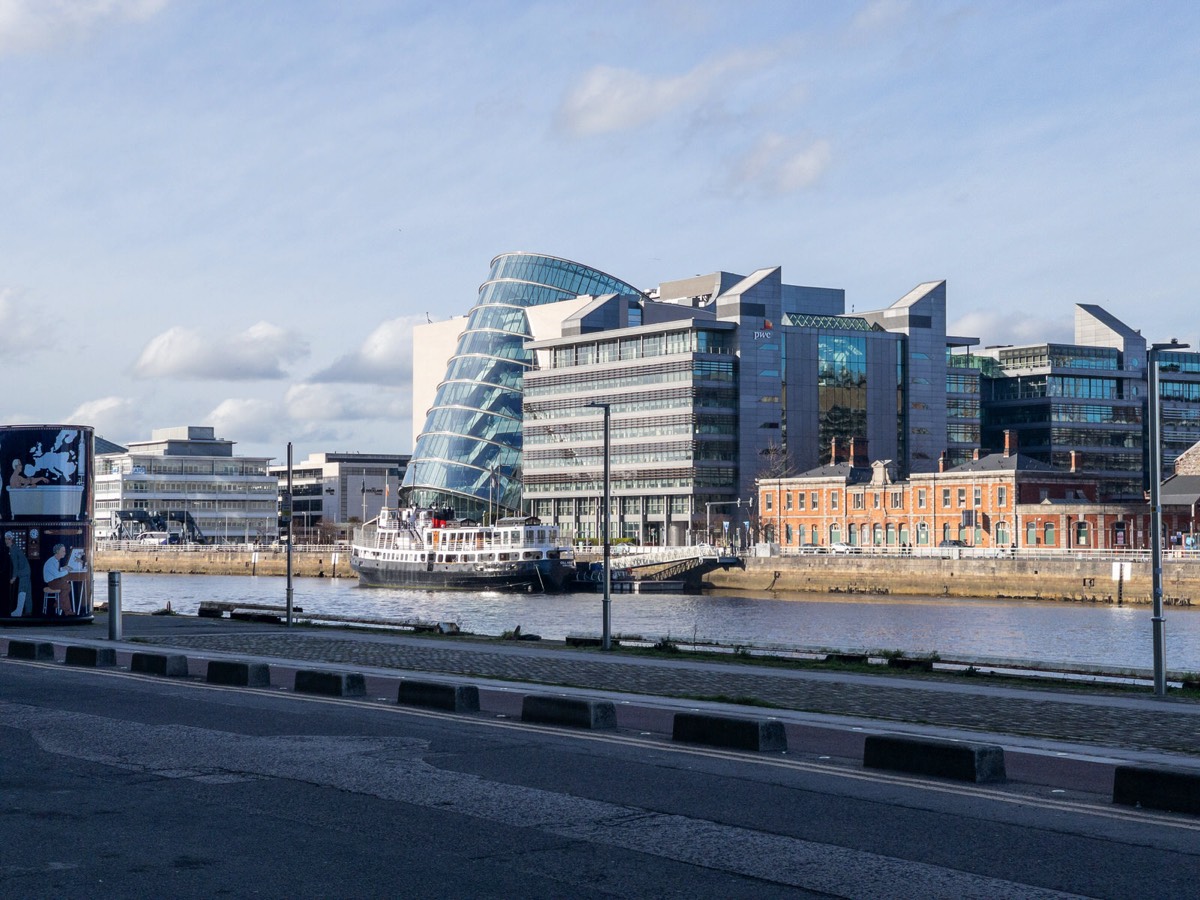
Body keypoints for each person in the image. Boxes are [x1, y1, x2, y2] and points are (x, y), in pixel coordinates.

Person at [42, 543, 74, 615]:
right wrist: (67, 571)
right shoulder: (51, 562)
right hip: (52, 583)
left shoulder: (54, 560)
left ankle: (59, 604)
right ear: (57, 551)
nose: (65, 553)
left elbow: (56, 570)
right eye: (63, 551)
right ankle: (65, 609)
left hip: (54, 581)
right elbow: (56, 575)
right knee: (67, 587)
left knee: (66, 586)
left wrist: (63, 568)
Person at [6, 532, 32, 617]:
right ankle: (28, 611)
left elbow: (15, 565)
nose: (7, 540)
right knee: (27, 592)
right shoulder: (14, 548)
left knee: (22, 591)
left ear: (12, 540)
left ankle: (19, 611)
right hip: (26, 571)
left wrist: (13, 577)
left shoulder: (13, 549)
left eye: (8, 539)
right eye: (6, 538)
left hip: (23, 572)